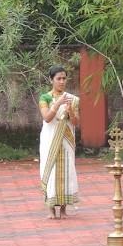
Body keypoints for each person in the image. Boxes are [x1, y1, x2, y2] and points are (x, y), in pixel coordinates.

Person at [39, 66, 80, 220]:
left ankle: (63, 210)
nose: (62, 81)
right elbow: (47, 118)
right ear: (51, 80)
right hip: (50, 140)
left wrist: (69, 109)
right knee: (49, 170)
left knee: (66, 171)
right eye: (58, 79)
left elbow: (75, 122)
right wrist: (57, 104)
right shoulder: (45, 98)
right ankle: (50, 209)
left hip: (67, 140)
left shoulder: (72, 99)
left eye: (64, 78)